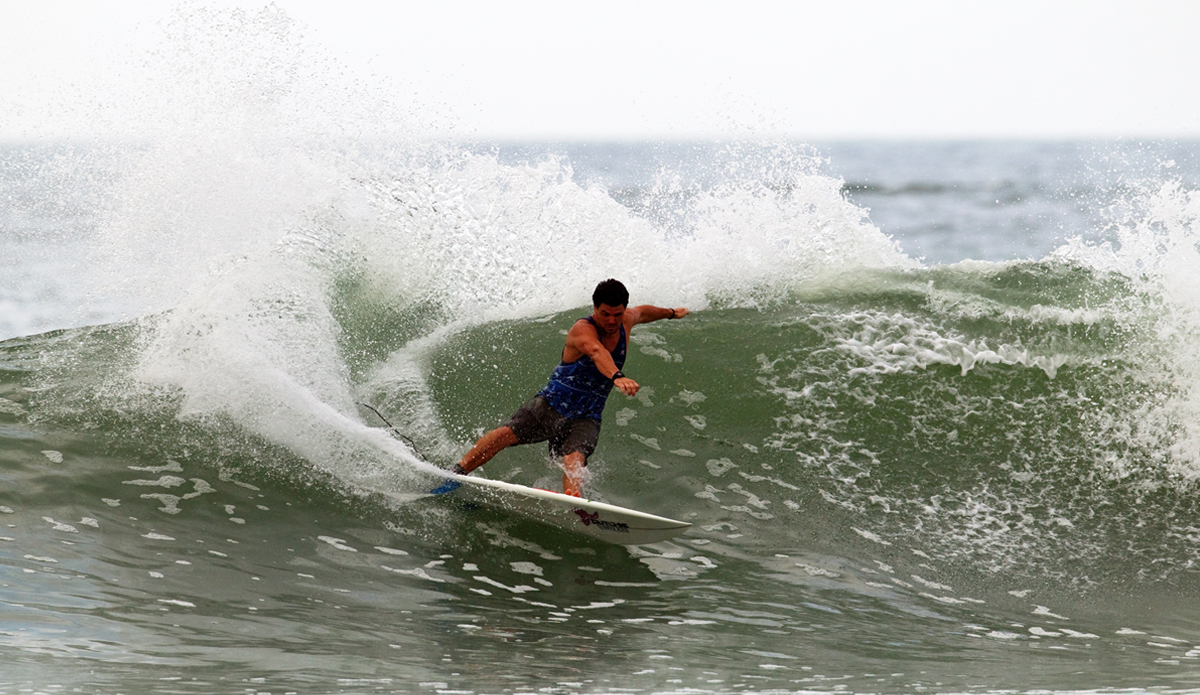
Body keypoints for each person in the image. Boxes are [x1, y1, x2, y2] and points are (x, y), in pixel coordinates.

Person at [445, 279, 688, 497]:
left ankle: (573, 504)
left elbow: (643, 312)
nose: (611, 320)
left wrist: (671, 313)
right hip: (551, 404)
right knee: (506, 435)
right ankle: (456, 473)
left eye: (617, 314)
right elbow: (596, 351)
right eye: (605, 314)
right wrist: (616, 375)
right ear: (595, 308)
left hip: (587, 415)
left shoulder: (626, 319)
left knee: (576, 457)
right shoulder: (582, 330)